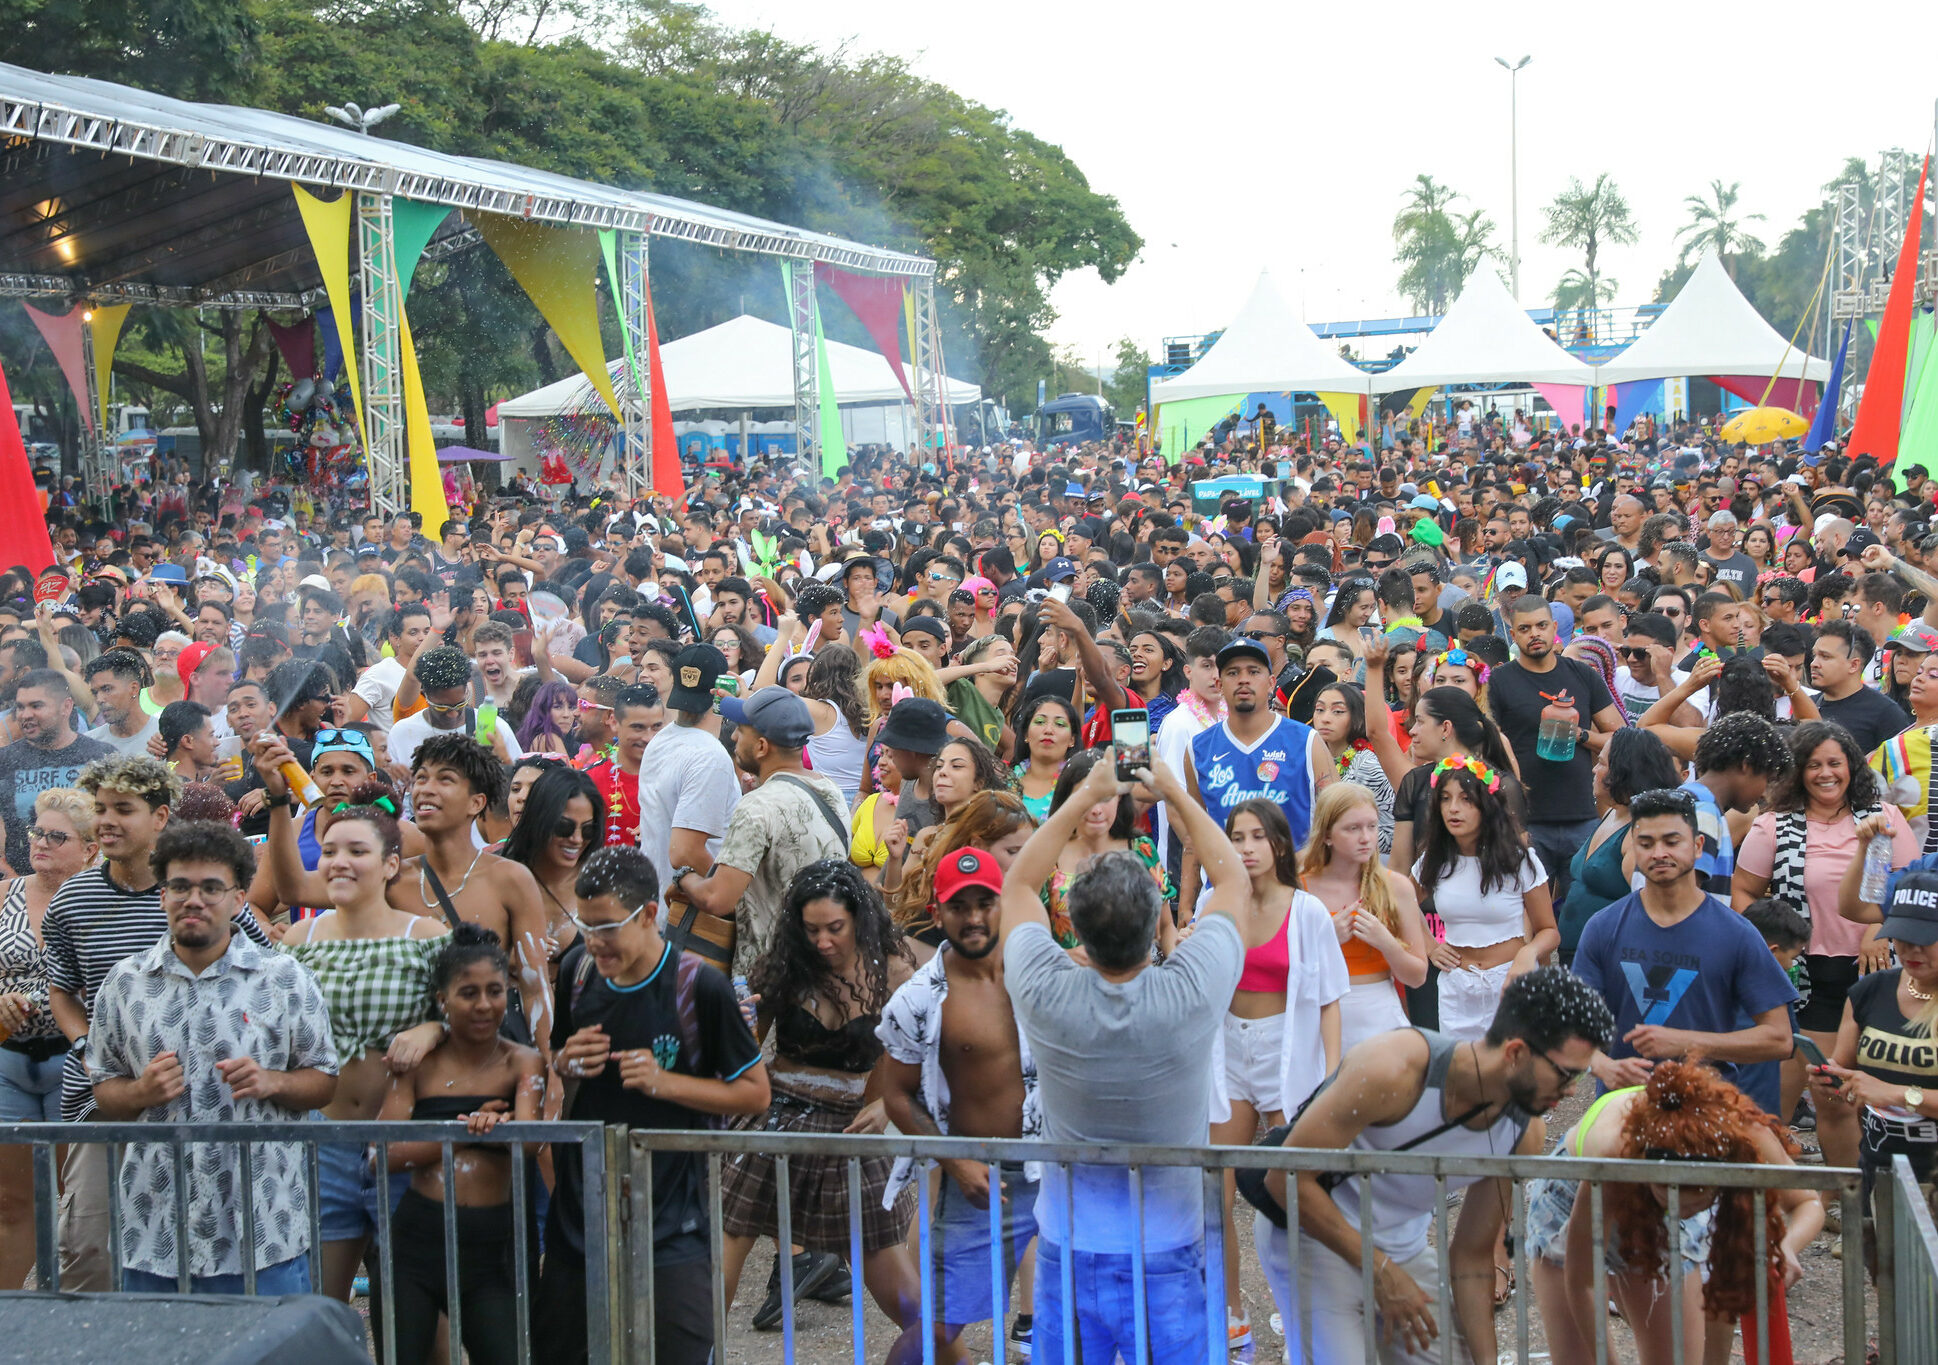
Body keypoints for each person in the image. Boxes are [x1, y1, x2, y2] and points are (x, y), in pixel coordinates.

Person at [999, 751, 1264, 1365]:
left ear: (1079, 932)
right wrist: (1172, 791)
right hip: (1168, 1249)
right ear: (1155, 926)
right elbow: (1233, 883)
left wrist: (1078, 797)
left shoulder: (1046, 989)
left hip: (1068, 1247)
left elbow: (1015, 885)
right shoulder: (1190, 990)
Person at [1257, 967, 1614, 1365]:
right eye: (1567, 1074)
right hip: (1312, 1236)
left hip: (1401, 1247)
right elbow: (1284, 1179)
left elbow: (1472, 1257)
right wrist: (1383, 1273)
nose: (1571, 1090)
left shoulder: (1523, 1134)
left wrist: (1484, 1362)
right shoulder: (1394, 1067)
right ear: (1515, 1053)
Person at [42, 755, 271, 1290]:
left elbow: (267, 974)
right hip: (105, 1102)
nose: (106, 821)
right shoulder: (73, 898)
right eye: (99, 809)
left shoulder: (202, 894)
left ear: (162, 817)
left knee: (201, 1248)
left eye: (124, 809)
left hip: (207, 1100)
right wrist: (85, 1050)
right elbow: (62, 991)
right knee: (91, 1252)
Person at [85, 819, 338, 1294]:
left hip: (265, 1228)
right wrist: (139, 1091)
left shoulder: (284, 977)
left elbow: (325, 1078)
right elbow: (103, 1090)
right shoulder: (125, 982)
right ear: (162, 895)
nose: (193, 900)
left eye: (210, 887)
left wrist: (274, 1082)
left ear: (239, 899)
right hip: (154, 1230)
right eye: (179, 886)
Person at [539, 846, 768, 1365]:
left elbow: (754, 1092)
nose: (594, 941)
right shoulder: (577, 971)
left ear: (647, 915)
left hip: (672, 1220)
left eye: (607, 927)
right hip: (580, 1216)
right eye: (585, 925)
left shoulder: (698, 985)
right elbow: (558, 1056)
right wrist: (566, 1061)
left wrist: (665, 1083)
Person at [717, 860, 926, 1350]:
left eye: (835, 928)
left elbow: (926, 1052)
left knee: (901, 1291)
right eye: (811, 929)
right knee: (722, 1254)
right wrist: (736, 1022)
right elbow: (746, 1052)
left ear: (859, 919)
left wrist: (885, 1105)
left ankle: (949, 1358)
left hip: (854, 1128)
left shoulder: (894, 970)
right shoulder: (787, 963)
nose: (823, 941)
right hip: (778, 1118)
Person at [266, 794, 447, 1301]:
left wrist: (432, 1030)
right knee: (318, 1304)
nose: (339, 862)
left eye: (357, 851)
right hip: (324, 1143)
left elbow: (474, 1024)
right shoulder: (299, 940)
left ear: (391, 864)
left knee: (418, 1316)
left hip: (407, 1143)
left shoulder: (428, 937)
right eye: (329, 851)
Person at [1526, 1061, 1821, 1365]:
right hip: (1572, 1198)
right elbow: (1581, 1280)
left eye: (1700, 1199)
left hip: (1652, 1213)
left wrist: (1785, 1248)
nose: (1686, 1208)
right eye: (1672, 1193)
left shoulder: (1742, 1131)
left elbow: (1807, 1203)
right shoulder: (1617, 1153)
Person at [878, 845, 1043, 1362]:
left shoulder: (1040, 970)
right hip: (981, 1183)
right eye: (959, 906)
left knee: (1081, 1315)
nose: (973, 917)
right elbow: (896, 1095)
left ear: (1002, 903)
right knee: (940, 1329)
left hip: (1060, 1169)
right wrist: (958, 1163)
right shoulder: (919, 999)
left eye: (984, 902)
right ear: (937, 913)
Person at [1208, 797, 1349, 1349]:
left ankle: (1301, 1326)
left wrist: (1332, 1076)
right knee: (1213, 1194)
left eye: (1256, 837)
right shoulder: (1218, 905)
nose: (1245, 848)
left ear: (1279, 844)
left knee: (1294, 1195)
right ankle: (1231, 1317)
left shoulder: (1306, 910)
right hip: (1228, 1053)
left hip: (1285, 1053)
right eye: (1236, 838)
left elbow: (1332, 998)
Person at [1737, 721, 1913, 1158]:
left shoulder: (1883, 817)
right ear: (1797, 771)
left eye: (1835, 763)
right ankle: (1774, 1193)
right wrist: (1768, 946)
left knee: (1855, 1098)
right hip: (1808, 975)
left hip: (1877, 972)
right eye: (1813, 765)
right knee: (1807, 1094)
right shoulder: (1774, 825)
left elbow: (1908, 889)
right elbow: (1743, 890)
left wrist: (1879, 931)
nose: (1825, 773)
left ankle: (1845, 1198)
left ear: (1852, 766)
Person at [377, 924, 545, 1365]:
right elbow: (383, 1153)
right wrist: (463, 1132)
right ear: (442, 1000)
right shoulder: (417, 1064)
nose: (484, 1004)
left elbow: (528, 1144)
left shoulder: (522, 1062)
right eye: (468, 993)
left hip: (491, 1249)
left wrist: (492, 1132)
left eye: (494, 990)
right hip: (416, 1242)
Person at [1575, 788, 1799, 1117]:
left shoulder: (1736, 934)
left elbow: (1780, 1038)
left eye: (1671, 841)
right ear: (1633, 849)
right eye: (1646, 843)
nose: (1658, 853)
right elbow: (1570, 1026)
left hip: (1707, 1110)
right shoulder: (1602, 927)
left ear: (1697, 847)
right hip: (1620, 1108)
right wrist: (1601, 1065)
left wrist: (1688, 1043)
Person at [668, 687, 850, 980]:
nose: (734, 738)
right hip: (819, 968)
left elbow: (717, 899)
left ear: (762, 747)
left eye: (741, 730)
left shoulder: (757, 807)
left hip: (765, 980)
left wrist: (684, 876)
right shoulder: (831, 790)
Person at [0, 787, 97, 1291]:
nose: (40, 842)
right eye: (38, 831)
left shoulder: (98, 901)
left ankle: (67, 1321)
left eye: (57, 836)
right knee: (12, 1202)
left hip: (73, 1061)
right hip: (8, 1059)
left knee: (74, 1204)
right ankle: (10, 1323)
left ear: (89, 848)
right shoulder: (4, 894)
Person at [1412, 753, 1557, 1040]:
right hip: (1456, 989)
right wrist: (1430, 946)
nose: (1454, 809)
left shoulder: (1519, 860)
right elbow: (1400, 902)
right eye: (1445, 798)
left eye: (1466, 799)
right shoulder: (1435, 860)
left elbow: (1550, 931)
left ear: (1487, 805)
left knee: (1511, 1078)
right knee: (1463, 1078)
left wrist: (1528, 953)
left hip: (1511, 983)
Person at [1488, 594, 1621, 907]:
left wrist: (1582, 734)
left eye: (1541, 625)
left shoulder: (1582, 676)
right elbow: (1489, 743)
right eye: (1525, 628)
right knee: (1526, 912)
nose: (1534, 634)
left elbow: (1619, 735)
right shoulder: (1499, 682)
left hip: (1582, 816)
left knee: (1581, 908)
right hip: (1526, 820)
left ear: (1555, 628)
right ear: (1513, 633)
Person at [1184, 637, 1332, 905]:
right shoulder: (1198, 749)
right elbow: (1195, 835)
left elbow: (1335, 824)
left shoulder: (1307, 742)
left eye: (1253, 672)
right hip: (1226, 899)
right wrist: (1186, 906)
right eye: (1232, 673)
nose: (1243, 680)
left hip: (1297, 895)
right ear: (1219, 684)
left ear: (1271, 683)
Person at [1300, 781, 1429, 1050]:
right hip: (1315, 1011)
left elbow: (1417, 976)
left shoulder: (1396, 887)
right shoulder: (1299, 886)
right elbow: (1282, 965)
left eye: (1372, 826)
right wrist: (1326, 938)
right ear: (1327, 835)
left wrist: (1386, 942)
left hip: (1377, 1012)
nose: (1366, 838)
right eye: (1353, 828)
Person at [1559, 728, 1683, 958]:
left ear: (1624, 773)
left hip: (1608, 956)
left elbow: (1650, 908)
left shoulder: (1641, 834)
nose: (1595, 769)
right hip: (1575, 953)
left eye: (1602, 764)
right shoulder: (1611, 813)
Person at [0, 669, 113, 874]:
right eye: (20, 707)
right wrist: (10, 879)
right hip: (21, 884)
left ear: (66, 707)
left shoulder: (102, 757)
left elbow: (117, 824)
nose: (25, 715)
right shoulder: (4, 761)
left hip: (87, 883)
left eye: (36, 706)